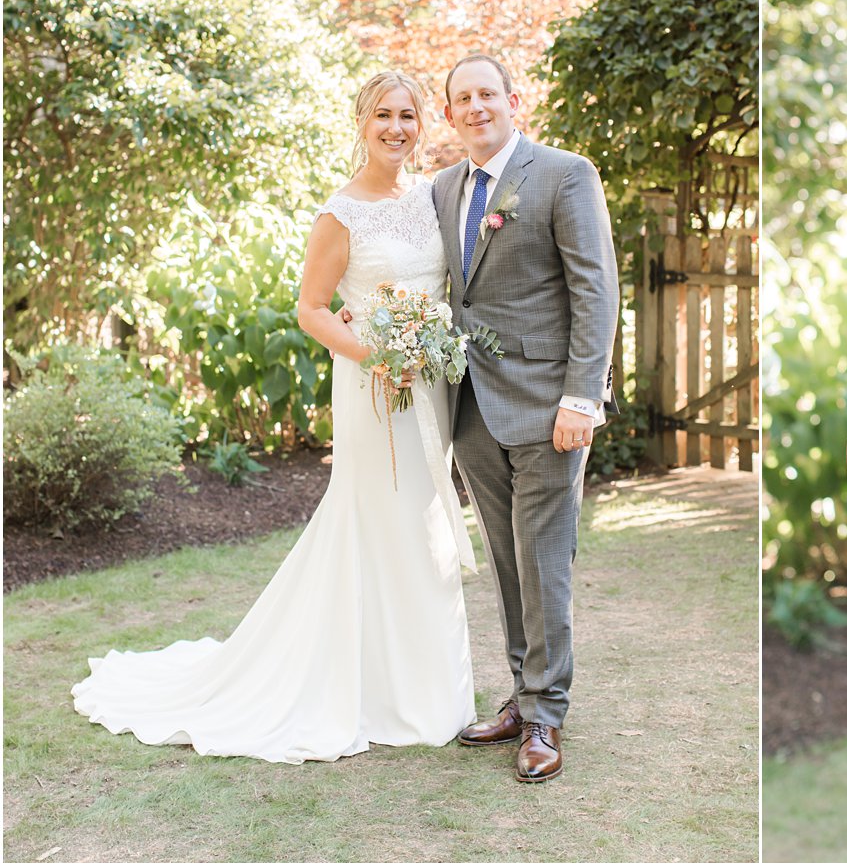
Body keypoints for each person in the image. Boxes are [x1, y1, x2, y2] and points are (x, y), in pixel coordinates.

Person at [72, 71, 477, 763]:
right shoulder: (340, 211)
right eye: (383, 113)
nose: (396, 127)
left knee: (428, 522)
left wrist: (426, 345)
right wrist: (375, 354)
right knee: (379, 517)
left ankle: (428, 687)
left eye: (408, 115)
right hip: (373, 388)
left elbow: (443, 284)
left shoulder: (433, 197)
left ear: (422, 124)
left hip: (429, 389)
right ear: (361, 120)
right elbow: (312, 308)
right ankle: (375, 691)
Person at [433, 53, 619, 784]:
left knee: (544, 560)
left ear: (514, 100)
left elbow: (595, 287)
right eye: (462, 97)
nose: (477, 106)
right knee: (509, 561)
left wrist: (583, 394)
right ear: (450, 114)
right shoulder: (444, 187)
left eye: (488, 93)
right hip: (472, 403)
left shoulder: (565, 173)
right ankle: (519, 692)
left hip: (549, 404)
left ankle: (546, 714)